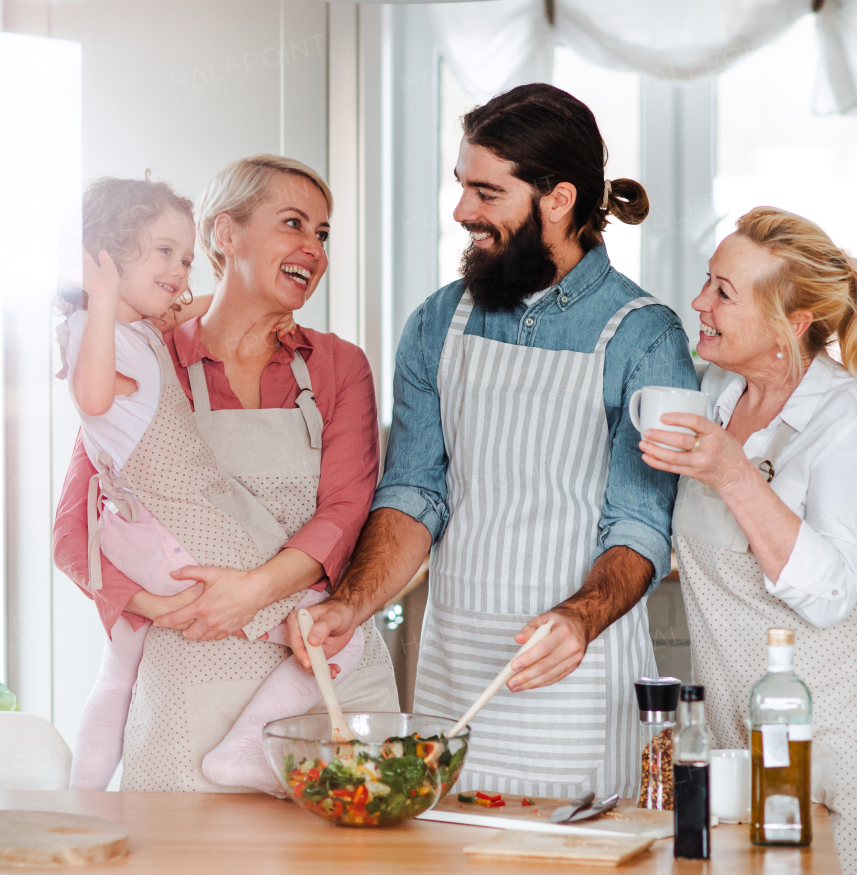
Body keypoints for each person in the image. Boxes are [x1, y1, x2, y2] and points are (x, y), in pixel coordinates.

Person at [290, 83, 698, 798]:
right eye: (460, 187)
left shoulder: (645, 335)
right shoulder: (436, 324)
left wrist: (579, 617)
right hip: (455, 667)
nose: (461, 212)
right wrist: (349, 604)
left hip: (579, 670)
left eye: (485, 192)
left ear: (558, 199)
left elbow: (640, 523)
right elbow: (415, 494)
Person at [53, 156, 398, 793]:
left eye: (322, 234)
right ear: (225, 234)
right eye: (293, 224)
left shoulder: (337, 366)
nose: (313, 249)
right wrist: (154, 603)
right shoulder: (145, 358)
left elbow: (348, 513)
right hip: (189, 682)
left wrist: (253, 591)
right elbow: (76, 530)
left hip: (315, 676)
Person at [637, 207, 857, 874]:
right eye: (706, 281)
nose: (698, 302)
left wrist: (734, 472)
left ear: (790, 325)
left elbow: (830, 591)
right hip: (741, 736)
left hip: (848, 734)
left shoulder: (854, 414)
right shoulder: (716, 395)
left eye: (724, 291)